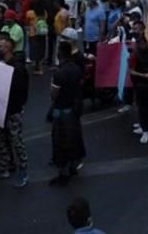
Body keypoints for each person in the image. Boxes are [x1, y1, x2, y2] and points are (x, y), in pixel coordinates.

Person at [0, 35, 30, 187]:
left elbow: (19, 91)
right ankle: (4, 167)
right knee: (1, 139)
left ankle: (23, 171)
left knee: (16, 141)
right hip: (1, 109)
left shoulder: (17, 69)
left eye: (1, 46)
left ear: (8, 49)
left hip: (12, 110)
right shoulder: (1, 65)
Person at [49, 41, 86, 186]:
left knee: (59, 141)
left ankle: (63, 173)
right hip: (73, 109)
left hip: (61, 110)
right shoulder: (76, 69)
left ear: (59, 54)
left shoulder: (59, 73)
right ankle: (73, 166)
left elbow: (53, 95)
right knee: (73, 139)